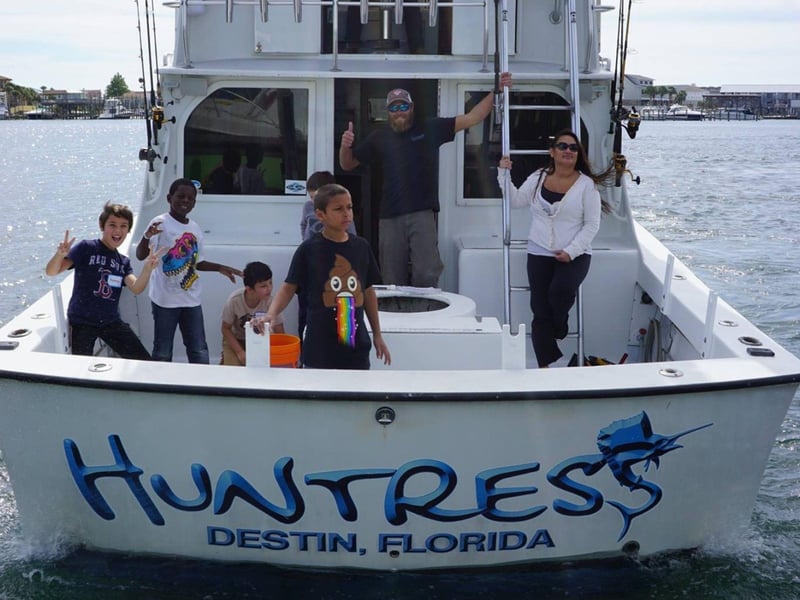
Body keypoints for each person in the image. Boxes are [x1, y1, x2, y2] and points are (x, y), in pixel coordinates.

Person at [339, 72, 512, 287]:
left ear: (411, 108)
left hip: (422, 213)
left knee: (427, 274)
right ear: (388, 112)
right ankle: (397, 310)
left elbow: (473, 118)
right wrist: (345, 146)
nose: (399, 111)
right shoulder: (378, 137)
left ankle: (425, 310)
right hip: (389, 216)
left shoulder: (429, 127)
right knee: (392, 278)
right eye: (394, 107)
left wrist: (496, 90)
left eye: (403, 106)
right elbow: (347, 164)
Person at [497, 129, 610, 368]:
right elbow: (515, 200)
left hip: (576, 254)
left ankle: (560, 325)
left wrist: (571, 251)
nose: (568, 151)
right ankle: (544, 367)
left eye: (573, 148)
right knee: (539, 309)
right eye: (563, 146)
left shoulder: (586, 185)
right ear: (552, 152)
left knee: (560, 291)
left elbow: (592, 224)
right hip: (539, 251)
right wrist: (503, 173)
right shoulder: (538, 177)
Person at [255, 183, 391, 370]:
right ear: (320, 214)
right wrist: (271, 314)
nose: (346, 214)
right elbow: (288, 288)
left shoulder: (362, 247)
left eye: (349, 207)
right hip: (319, 351)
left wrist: (377, 334)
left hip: (356, 351)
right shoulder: (309, 249)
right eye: (338, 209)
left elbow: (367, 291)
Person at [136, 178, 243, 363]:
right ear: (169, 198)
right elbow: (140, 255)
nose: (185, 200)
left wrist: (220, 268)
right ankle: (160, 380)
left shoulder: (195, 228)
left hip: (191, 299)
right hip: (165, 300)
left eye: (190, 198)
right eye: (180, 196)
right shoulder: (160, 223)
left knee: (199, 349)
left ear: (194, 202)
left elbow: (196, 263)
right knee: (162, 350)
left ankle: (201, 380)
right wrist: (146, 236)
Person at [45, 203, 162, 359]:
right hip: (82, 321)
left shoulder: (123, 262)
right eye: (112, 225)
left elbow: (136, 287)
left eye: (123, 226)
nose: (118, 231)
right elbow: (51, 271)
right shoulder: (86, 248)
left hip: (110, 321)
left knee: (144, 360)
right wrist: (59, 255)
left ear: (128, 230)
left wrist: (147, 268)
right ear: (102, 226)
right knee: (80, 366)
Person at [298, 170, 356, 341]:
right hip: (310, 265)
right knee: (305, 310)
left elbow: (351, 235)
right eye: (311, 197)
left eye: (316, 197)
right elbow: (303, 225)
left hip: (332, 269)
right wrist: (306, 242)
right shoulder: (308, 207)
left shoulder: (341, 214)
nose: (313, 201)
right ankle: (304, 347)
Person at [220, 261, 284, 366]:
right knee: (234, 370)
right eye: (263, 286)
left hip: (261, 340)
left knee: (265, 367)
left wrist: (277, 353)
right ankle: (225, 357)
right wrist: (239, 352)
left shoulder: (272, 302)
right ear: (249, 289)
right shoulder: (234, 300)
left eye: (270, 283)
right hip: (237, 340)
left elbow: (280, 333)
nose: (269, 288)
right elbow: (225, 329)